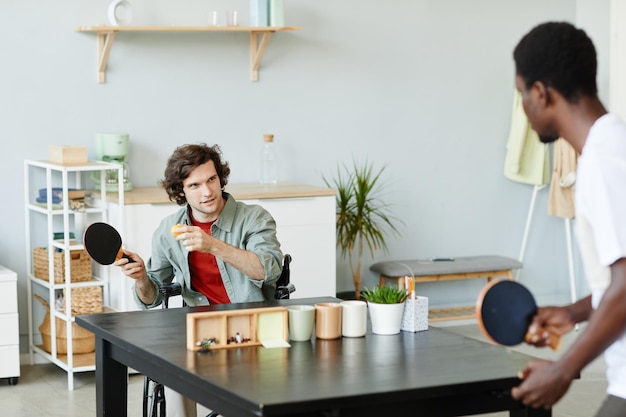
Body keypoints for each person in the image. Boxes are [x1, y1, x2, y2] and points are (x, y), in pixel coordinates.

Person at [115, 143, 283, 417]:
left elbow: (268, 270)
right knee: (171, 371)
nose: (207, 192)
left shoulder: (254, 218)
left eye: (211, 180)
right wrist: (142, 277)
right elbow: (152, 296)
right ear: (181, 191)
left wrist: (214, 246)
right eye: (195, 185)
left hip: (252, 329)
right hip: (200, 332)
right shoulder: (168, 231)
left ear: (220, 177)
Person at [510, 22, 626, 416]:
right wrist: (573, 313)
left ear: (540, 93)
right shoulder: (612, 148)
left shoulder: (606, 160)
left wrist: (563, 370)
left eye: (520, 94)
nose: (523, 108)